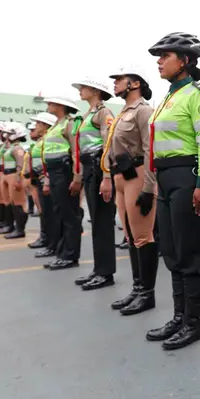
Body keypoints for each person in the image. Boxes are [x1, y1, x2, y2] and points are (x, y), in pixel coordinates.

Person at [144, 32, 200, 350]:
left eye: (166, 56)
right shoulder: (168, 98)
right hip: (166, 179)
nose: (159, 62)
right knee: (171, 251)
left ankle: (193, 323)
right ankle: (178, 317)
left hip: (186, 176)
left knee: (188, 253)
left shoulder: (196, 95)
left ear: (184, 61)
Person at [102, 65, 158, 316]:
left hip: (137, 174)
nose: (115, 83)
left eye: (119, 79)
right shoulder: (123, 112)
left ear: (135, 84)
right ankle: (137, 289)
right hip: (121, 177)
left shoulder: (143, 111)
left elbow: (150, 150)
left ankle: (147, 294)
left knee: (143, 236)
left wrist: (148, 188)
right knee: (130, 236)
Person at [71, 77, 117, 291]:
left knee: (102, 221)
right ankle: (99, 269)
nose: (80, 90)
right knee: (96, 222)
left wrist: (107, 176)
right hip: (89, 167)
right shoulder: (87, 114)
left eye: (84, 87)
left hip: (99, 167)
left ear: (96, 91)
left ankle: (105, 273)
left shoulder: (103, 113)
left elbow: (108, 144)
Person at [41, 95, 83, 270]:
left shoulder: (69, 124)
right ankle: (62, 253)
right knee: (60, 213)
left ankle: (70, 256)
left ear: (61, 106)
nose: (48, 105)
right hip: (54, 172)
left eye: (51, 103)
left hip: (64, 172)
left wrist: (77, 178)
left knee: (69, 214)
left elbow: (75, 152)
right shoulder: (55, 126)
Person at [28, 114, 59, 250]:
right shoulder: (41, 140)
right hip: (38, 177)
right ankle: (46, 238)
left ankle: (52, 243)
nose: (35, 127)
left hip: (45, 177)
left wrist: (46, 178)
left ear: (45, 125)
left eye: (38, 124)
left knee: (49, 211)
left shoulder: (48, 139)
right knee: (44, 210)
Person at [1, 123, 30, 240]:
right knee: (10, 201)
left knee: (18, 202)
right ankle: (11, 226)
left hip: (14, 175)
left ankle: (20, 229)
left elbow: (20, 164)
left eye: (9, 134)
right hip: (7, 175)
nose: (7, 136)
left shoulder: (17, 148)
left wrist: (18, 179)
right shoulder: (11, 147)